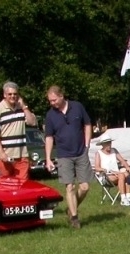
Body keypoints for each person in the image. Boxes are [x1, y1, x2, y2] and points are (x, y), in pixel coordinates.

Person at [44, 85, 92, 229]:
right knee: (69, 187)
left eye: (54, 100)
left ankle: (71, 208)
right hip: (64, 155)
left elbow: (88, 124)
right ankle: (74, 217)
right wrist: (48, 158)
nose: (52, 103)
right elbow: (49, 137)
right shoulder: (50, 115)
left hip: (81, 152)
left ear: (61, 96)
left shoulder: (77, 107)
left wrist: (87, 145)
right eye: (50, 101)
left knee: (85, 187)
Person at [0, 81, 37, 179]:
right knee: (3, 186)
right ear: (4, 95)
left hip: (21, 154)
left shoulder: (21, 108)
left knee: (22, 187)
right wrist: (2, 153)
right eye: (10, 94)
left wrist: (24, 107)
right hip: (4, 156)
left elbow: (33, 122)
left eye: (15, 94)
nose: (12, 96)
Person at [93, 136, 130, 206]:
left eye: (109, 143)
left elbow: (122, 160)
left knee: (126, 174)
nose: (109, 145)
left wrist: (127, 167)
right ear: (102, 144)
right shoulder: (98, 153)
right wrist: (108, 170)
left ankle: (128, 196)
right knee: (121, 175)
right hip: (106, 176)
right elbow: (97, 167)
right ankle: (123, 199)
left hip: (117, 174)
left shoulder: (114, 150)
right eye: (106, 143)